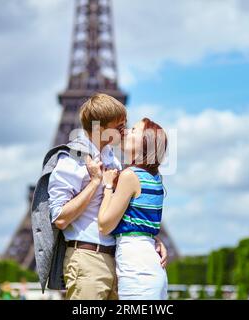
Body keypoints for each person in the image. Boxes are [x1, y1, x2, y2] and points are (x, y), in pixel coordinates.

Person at [48, 94, 168, 300]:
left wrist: (149, 237)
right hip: (88, 260)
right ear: (100, 128)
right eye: (120, 126)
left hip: (117, 261)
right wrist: (95, 183)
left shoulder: (113, 162)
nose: (125, 130)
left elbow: (124, 212)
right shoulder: (71, 159)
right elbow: (59, 217)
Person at [93, 118, 168, 299]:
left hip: (137, 269)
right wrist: (155, 239)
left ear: (145, 142)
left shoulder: (130, 175)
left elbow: (104, 225)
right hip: (149, 266)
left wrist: (108, 186)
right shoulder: (155, 178)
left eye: (134, 130)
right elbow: (140, 221)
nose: (126, 131)